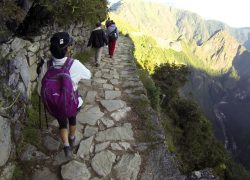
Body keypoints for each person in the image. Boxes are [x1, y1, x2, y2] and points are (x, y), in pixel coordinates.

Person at [37, 32, 91, 157]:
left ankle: (66, 146)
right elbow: (89, 75)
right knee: (72, 120)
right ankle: (72, 138)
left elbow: (40, 89)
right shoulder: (74, 64)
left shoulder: (46, 65)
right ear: (67, 49)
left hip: (56, 104)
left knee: (62, 123)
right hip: (71, 103)